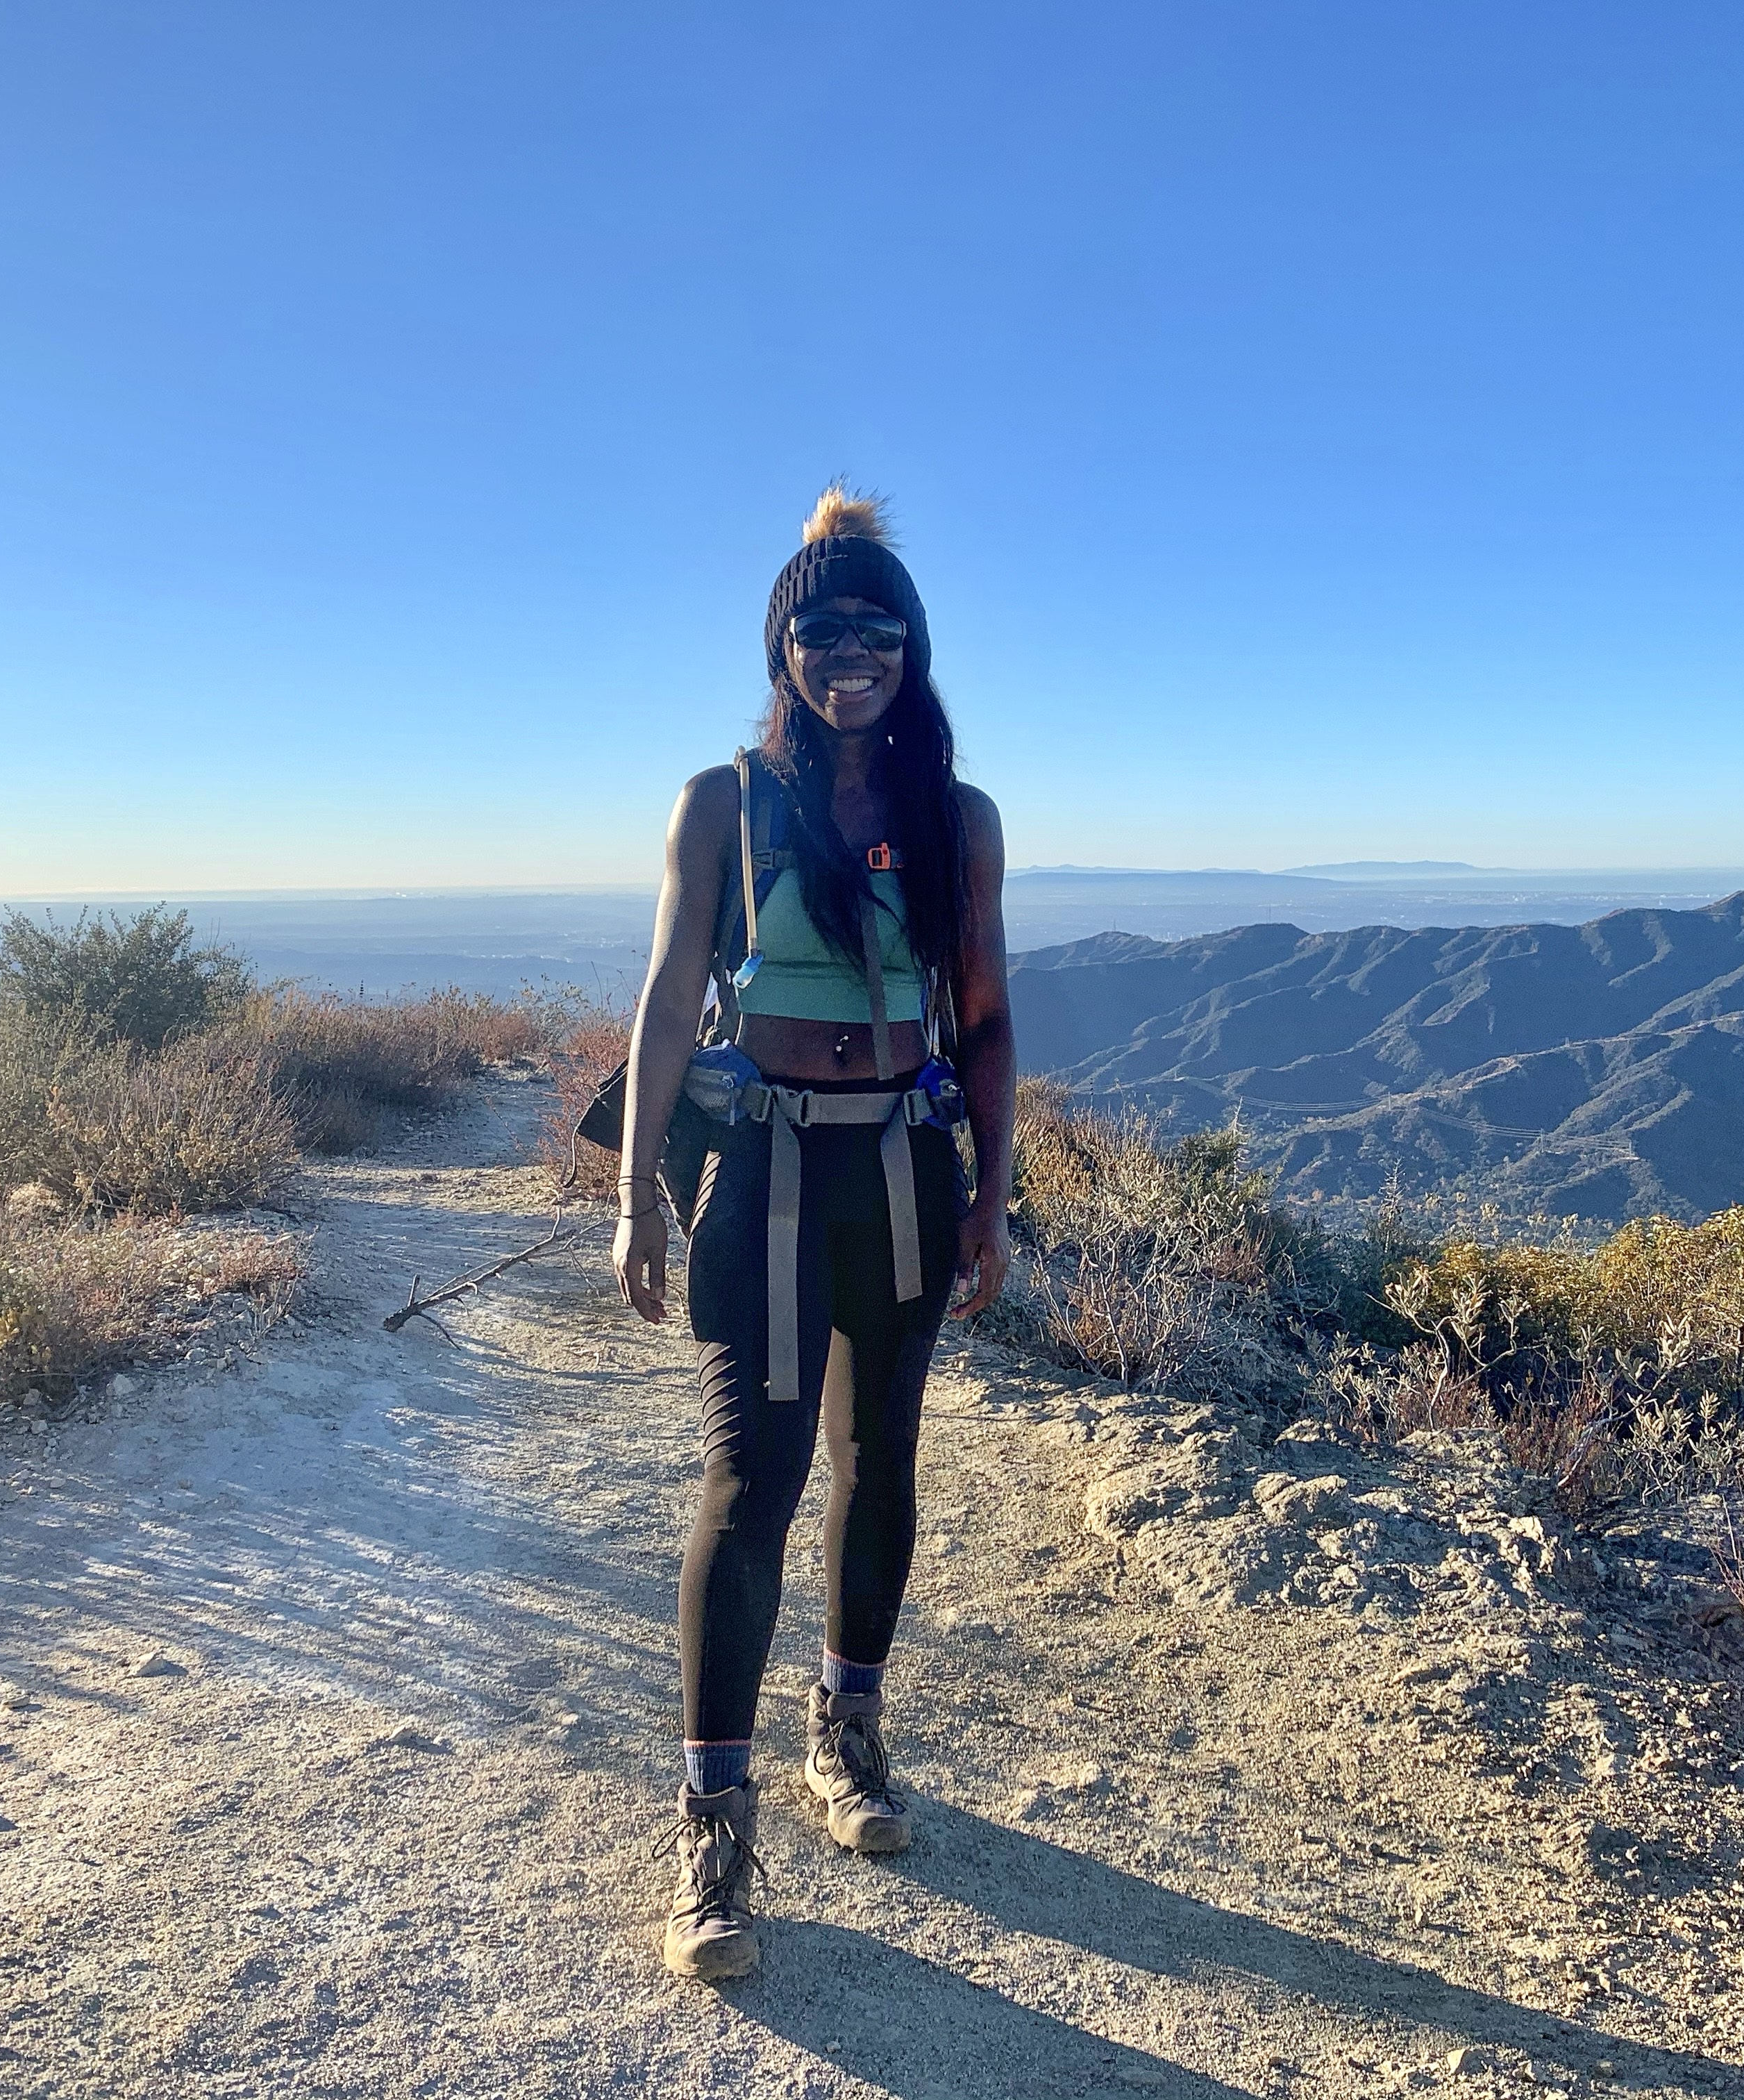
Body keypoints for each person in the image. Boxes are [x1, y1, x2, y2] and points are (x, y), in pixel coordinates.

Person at [610, 485, 1016, 1981]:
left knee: (883, 1461)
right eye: (822, 630)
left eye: (879, 632)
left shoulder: (952, 819)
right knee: (751, 1480)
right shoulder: (724, 801)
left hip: (902, 1169)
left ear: (913, 649)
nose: (851, 657)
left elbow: (981, 1022)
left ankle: (846, 1732)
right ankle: (714, 1821)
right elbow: (667, 1000)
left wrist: (991, 1193)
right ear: (780, 644)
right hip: (765, 1175)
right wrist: (637, 1191)